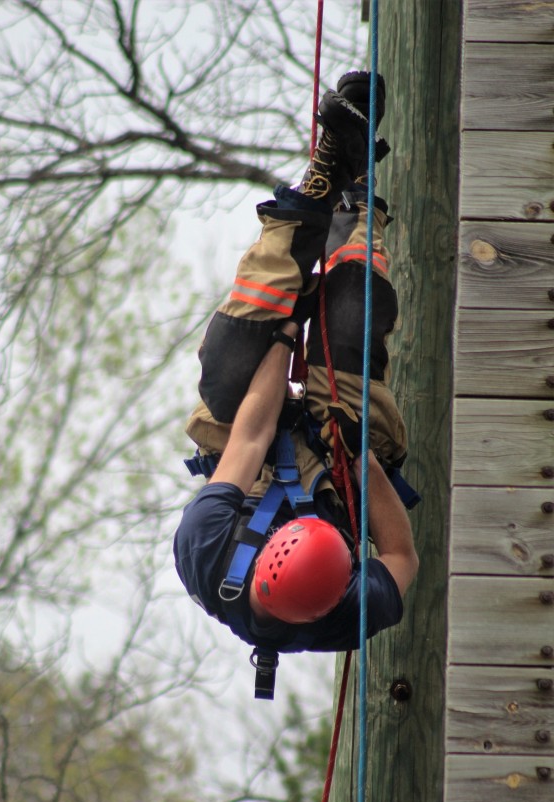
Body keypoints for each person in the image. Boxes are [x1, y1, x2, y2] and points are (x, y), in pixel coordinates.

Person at [173, 72, 418, 683]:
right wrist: (359, 462)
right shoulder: (351, 613)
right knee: (350, 323)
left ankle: (317, 185)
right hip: (344, 483)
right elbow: (400, 555)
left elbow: (250, 438)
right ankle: (360, 200)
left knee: (236, 350)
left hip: (246, 464)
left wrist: (284, 336)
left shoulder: (204, 551)